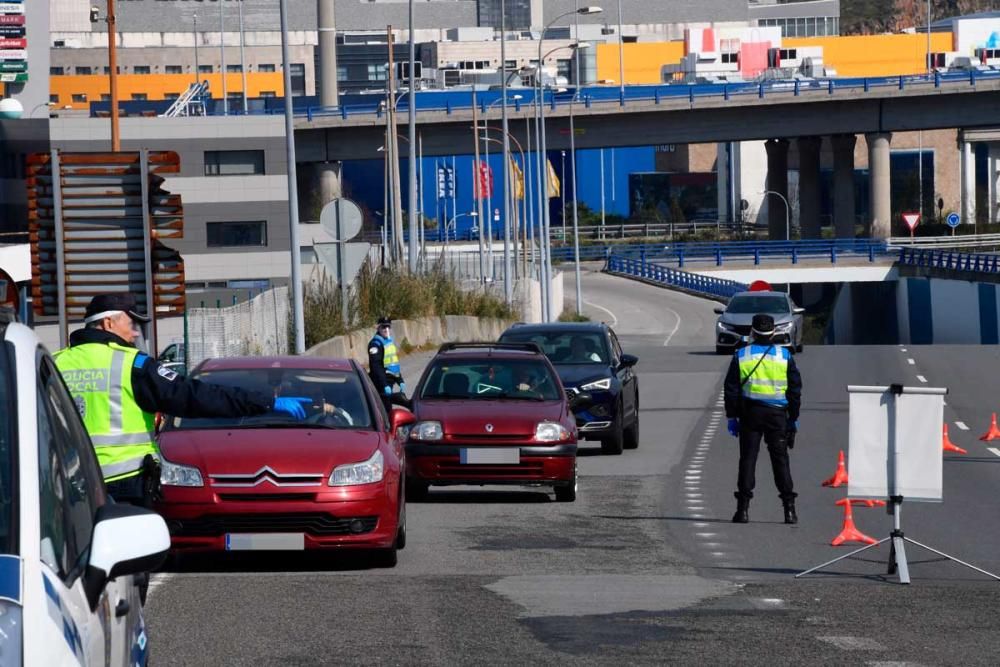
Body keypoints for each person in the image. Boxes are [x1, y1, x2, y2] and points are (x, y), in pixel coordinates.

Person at [54, 293, 309, 506]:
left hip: (67, 485)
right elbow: (195, 397)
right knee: (132, 559)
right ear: (108, 323)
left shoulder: (53, 362)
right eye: (131, 325)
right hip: (125, 484)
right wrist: (264, 402)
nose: (134, 334)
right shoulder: (132, 364)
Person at [723, 313, 802, 525]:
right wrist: (793, 419)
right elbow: (795, 390)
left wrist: (732, 416)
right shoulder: (784, 356)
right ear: (774, 332)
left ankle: (743, 511)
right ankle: (789, 511)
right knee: (780, 461)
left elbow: (731, 389)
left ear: (752, 332)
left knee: (748, 460)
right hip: (777, 416)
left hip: (750, 414)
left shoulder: (741, 355)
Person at [368, 316, 407, 411]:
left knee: (388, 409)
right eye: (383, 327)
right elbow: (376, 367)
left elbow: (393, 364)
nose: (386, 330)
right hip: (380, 384)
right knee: (384, 410)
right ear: (378, 328)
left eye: (388, 327)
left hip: (389, 383)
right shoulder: (375, 344)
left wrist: (399, 380)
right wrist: (384, 384)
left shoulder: (389, 342)